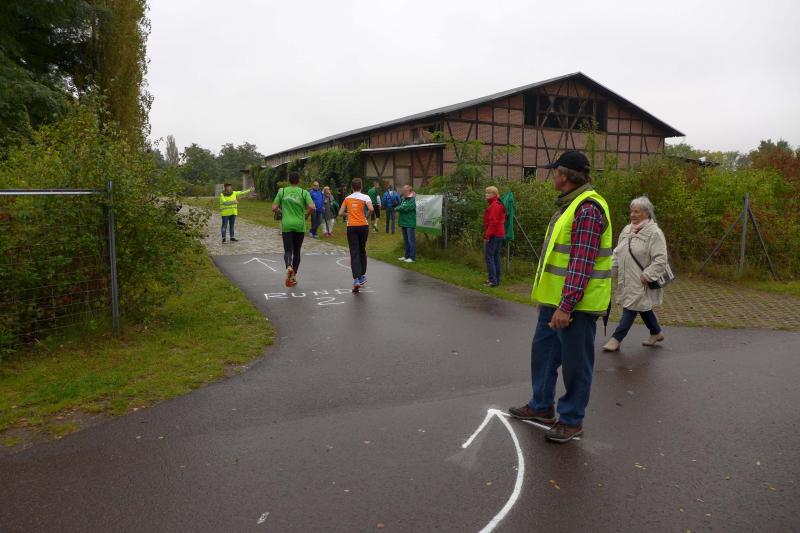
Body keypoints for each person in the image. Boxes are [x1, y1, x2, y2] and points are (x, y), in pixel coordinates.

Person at [508, 150, 613, 444]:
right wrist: (547, 299)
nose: (552, 175)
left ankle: (571, 419)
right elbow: (556, 258)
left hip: (577, 306)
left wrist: (566, 306)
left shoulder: (588, 209)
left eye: (555, 171)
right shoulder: (568, 205)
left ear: (565, 175)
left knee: (575, 364)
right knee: (543, 354)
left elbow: (582, 262)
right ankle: (541, 405)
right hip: (555, 302)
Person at [602, 196, 668, 351]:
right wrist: (609, 272)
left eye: (637, 211)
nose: (632, 214)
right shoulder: (627, 230)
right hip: (626, 279)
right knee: (641, 306)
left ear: (647, 213)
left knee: (631, 307)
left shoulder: (654, 233)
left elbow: (661, 259)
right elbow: (618, 253)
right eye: (631, 211)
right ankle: (656, 332)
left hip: (641, 280)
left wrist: (647, 275)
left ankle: (616, 339)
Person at [272, 171, 315, 287]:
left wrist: (282, 212)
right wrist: (306, 215)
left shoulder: (282, 191)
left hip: (287, 224)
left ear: (288, 180)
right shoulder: (304, 192)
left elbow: (274, 207)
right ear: (299, 180)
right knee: (297, 251)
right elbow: (312, 207)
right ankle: (293, 276)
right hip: (299, 225)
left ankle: (288, 266)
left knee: (288, 250)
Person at [338, 178, 373, 291]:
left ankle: (357, 278)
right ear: (361, 186)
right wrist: (366, 216)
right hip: (363, 226)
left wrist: (348, 214)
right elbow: (371, 209)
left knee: (354, 252)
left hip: (352, 227)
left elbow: (340, 213)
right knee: (362, 250)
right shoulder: (366, 197)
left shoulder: (347, 198)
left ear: (352, 187)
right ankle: (362, 275)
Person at [483, 186, 506, 287]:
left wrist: (487, 235)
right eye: (486, 193)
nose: (486, 195)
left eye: (488, 193)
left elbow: (493, 222)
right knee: (495, 256)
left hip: (494, 234)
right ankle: (496, 279)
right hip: (499, 233)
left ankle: (493, 280)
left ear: (494, 194)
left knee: (489, 256)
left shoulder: (494, 205)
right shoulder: (497, 203)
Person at [396, 185, 416, 263]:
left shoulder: (413, 199)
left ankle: (412, 257)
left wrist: (399, 208)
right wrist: (399, 208)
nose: (403, 192)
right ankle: (406, 256)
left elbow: (406, 208)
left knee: (411, 241)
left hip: (410, 223)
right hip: (404, 222)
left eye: (405, 191)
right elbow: (400, 207)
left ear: (409, 191)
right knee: (406, 240)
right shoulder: (404, 199)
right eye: (403, 191)